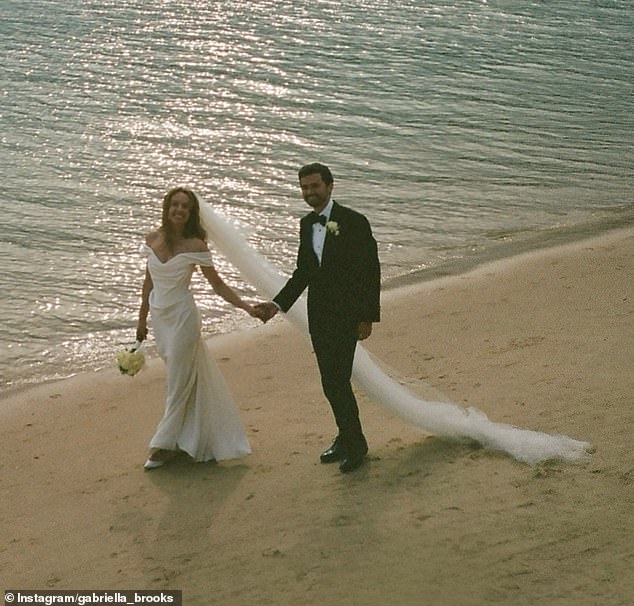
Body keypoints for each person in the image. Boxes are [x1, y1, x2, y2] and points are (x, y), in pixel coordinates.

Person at [256, 163, 381, 473]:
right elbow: (304, 273)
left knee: (337, 381)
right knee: (330, 382)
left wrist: (367, 317)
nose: (309, 192)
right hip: (320, 316)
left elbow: (370, 271)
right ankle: (345, 436)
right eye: (304, 188)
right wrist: (277, 305)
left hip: (348, 316)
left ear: (330, 186)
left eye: (314, 186)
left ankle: (357, 444)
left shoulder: (354, 221)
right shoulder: (306, 225)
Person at [136, 187, 264, 470]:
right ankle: (188, 440)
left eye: (185, 207)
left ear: (191, 213)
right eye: (175, 205)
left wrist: (245, 307)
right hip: (160, 318)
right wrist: (141, 319)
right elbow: (148, 282)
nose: (179, 210)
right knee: (180, 377)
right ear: (167, 208)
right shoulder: (152, 239)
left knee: (178, 381)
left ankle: (163, 444)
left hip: (183, 318)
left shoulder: (196, 246)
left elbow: (217, 284)